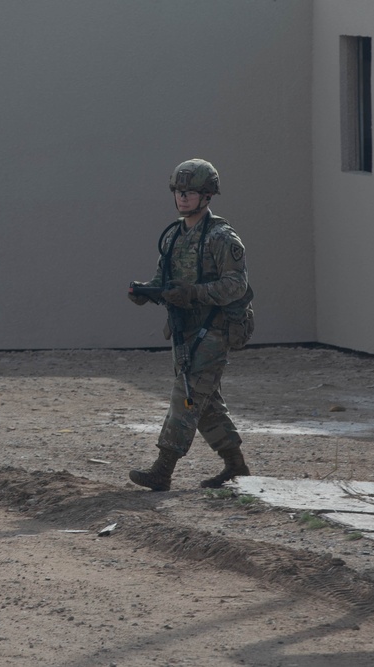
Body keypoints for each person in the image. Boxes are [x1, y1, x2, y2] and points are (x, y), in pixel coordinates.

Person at [127, 158, 252, 491]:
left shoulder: (221, 237)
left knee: (187, 396)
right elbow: (163, 278)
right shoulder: (173, 236)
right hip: (184, 329)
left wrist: (194, 293)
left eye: (191, 192)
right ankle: (236, 466)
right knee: (204, 400)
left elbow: (237, 285)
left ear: (207, 195)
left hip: (215, 328)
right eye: (179, 191)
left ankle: (163, 469)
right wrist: (147, 291)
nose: (183, 198)